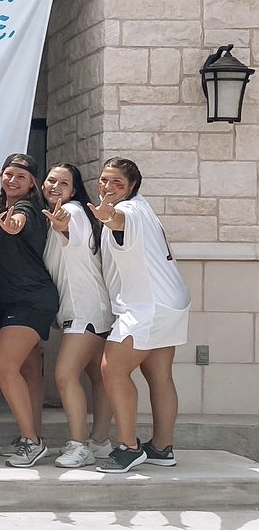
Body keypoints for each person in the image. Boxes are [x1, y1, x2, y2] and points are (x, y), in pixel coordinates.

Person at [90, 157, 190, 474]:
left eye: (117, 183)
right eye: (104, 180)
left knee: (112, 368)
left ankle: (129, 447)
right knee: (159, 375)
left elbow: (118, 220)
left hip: (148, 306)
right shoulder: (144, 208)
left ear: (132, 186)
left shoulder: (128, 211)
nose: (108, 187)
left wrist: (108, 215)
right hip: (170, 302)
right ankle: (161, 448)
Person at [0, 153, 60, 468]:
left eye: (20, 176)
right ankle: (32, 434)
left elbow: (19, 224)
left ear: (32, 184)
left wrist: (13, 225)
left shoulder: (25, 209)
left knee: (4, 365)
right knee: (28, 369)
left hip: (29, 300)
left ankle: (32, 441)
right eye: (7, 174)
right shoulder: (6, 210)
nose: (12, 180)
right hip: (9, 301)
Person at [41, 162, 114, 468]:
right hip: (92, 307)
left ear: (73, 190)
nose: (54, 186)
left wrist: (62, 225)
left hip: (85, 310)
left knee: (65, 374)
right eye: (50, 180)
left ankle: (78, 444)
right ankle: (100, 442)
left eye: (63, 183)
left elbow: (71, 232)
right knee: (98, 375)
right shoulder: (66, 213)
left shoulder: (71, 212)